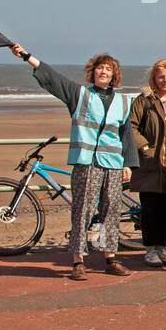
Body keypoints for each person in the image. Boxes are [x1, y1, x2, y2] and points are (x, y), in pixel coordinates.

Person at [8, 43, 138, 281]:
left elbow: (126, 134)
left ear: (114, 75)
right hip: (86, 162)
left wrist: (128, 164)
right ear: (93, 72)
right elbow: (52, 79)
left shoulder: (123, 101)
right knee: (82, 211)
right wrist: (26, 56)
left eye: (108, 69)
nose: (104, 72)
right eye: (100, 68)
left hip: (113, 162)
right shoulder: (79, 94)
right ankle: (78, 261)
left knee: (111, 211)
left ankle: (110, 258)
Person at [129, 59, 166, 268]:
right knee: (150, 209)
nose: (165, 80)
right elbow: (130, 127)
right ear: (154, 78)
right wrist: (144, 148)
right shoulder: (144, 101)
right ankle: (150, 250)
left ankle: (162, 248)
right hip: (149, 165)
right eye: (161, 76)